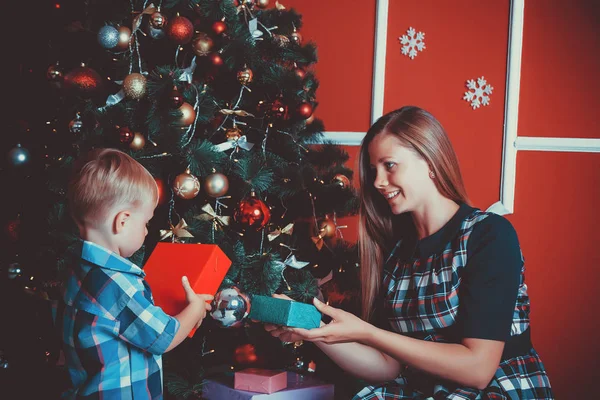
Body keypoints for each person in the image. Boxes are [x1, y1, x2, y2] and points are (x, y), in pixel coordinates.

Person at [266, 106, 553, 399]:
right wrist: (315, 333)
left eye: (389, 165)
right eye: (374, 170)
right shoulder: (399, 254)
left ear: (430, 161)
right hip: (422, 388)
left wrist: (368, 332)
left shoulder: (489, 235)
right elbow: (389, 367)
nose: (377, 182)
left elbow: (478, 370)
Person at [62, 148, 213, 399]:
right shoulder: (118, 283)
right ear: (122, 221)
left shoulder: (75, 270)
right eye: (145, 223)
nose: (145, 232)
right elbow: (164, 338)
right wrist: (195, 309)